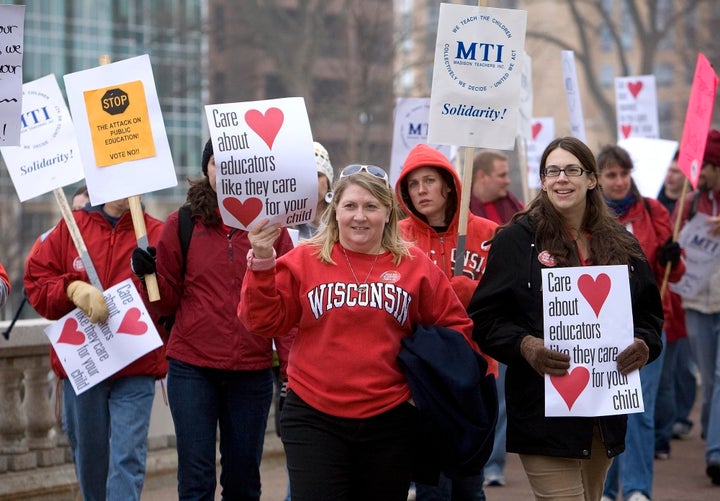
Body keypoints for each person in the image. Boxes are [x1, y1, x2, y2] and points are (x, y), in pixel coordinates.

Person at [238, 163, 478, 501]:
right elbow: (261, 321)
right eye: (350, 206)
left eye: (371, 207)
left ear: (388, 213)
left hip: (391, 419)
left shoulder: (414, 265)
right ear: (335, 210)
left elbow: (456, 330)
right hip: (313, 415)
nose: (359, 217)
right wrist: (262, 262)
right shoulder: (304, 259)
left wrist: (421, 391)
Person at [468, 136, 664, 501]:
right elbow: (484, 318)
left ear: (591, 179)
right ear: (542, 180)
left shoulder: (622, 243)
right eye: (552, 171)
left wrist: (643, 345)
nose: (562, 179)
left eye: (572, 170)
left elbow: (650, 316)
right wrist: (526, 346)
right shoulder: (516, 240)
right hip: (543, 413)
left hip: (603, 415)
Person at [130, 138, 295, 500]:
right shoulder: (183, 223)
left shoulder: (273, 228)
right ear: (207, 170)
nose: (228, 171)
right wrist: (147, 275)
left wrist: (290, 373)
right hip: (193, 369)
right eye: (219, 163)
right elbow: (164, 303)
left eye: (237, 163)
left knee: (243, 480)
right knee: (195, 479)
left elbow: (287, 304)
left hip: (250, 371)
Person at [24, 196, 166, 501]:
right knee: (90, 459)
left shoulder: (158, 233)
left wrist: (157, 280)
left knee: (128, 458)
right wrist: (70, 288)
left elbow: (176, 300)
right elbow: (35, 284)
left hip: (136, 368)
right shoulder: (69, 228)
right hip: (84, 370)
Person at [395, 143, 497, 500]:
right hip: (423, 376)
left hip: (475, 370)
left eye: (429, 181)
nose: (421, 190)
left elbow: (509, 300)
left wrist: (476, 296)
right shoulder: (397, 238)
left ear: (450, 184)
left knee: (469, 480)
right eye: (413, 185)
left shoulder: (488, 234)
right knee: (431, 484)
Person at [596, 144, 684, 501]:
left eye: (624, 173)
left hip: (646, 326)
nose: (619, 181)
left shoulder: (653, 210)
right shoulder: (591, 216)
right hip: (602, 327)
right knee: (610, 409)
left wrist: (672, 258)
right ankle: (608, 488)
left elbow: (675, 272)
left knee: (640, 410)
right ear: (597, 179)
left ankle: (636, 489)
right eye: (611, 175)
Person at [470, 149, 525, 488]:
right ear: (480, 177)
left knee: (499, 397)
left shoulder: (515, 209)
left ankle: (493, 463)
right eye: (502, 174)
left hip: (503, 318)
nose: (508, 180)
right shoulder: (460, 213)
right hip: (465, 321)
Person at [671, 129, 720, 486]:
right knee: (710, 379)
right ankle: (712, 429)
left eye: (704, 165)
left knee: (719, 378)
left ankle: (716, 452)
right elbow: (671, 242)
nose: (697, 171)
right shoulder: (689, 203)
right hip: (696, 303)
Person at [654, 154, 696, 457]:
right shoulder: (654, 206)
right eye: (667, 171)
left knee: (671, 376)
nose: (671, 177)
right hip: (659, 304)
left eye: (676, 172)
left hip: (679, 303)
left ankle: (665, 432)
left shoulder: (687, 207)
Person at [295, 141, 334, 240]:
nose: (312, 182)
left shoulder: (341, 218)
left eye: (318, 175)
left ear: (328, 181)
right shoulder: (283, 224)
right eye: (305, 175)